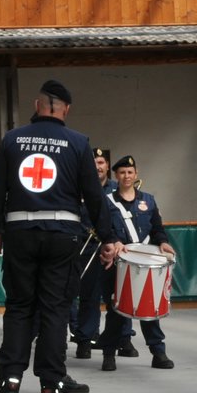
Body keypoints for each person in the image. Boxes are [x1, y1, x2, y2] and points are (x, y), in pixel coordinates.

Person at [0, 80, 120, 393]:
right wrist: (108, 237)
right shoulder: (77, 142)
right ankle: (50, 388)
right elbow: (94, 195)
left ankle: (10, 384)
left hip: (20, 233)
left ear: (38, 104)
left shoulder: (12, 139)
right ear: (66, 109)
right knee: (55, 310)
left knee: (18, 309)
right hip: (63, 234)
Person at [97, 155, 175, 371]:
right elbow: (102, 227)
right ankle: (109, 354)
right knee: (116, 310)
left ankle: (158, 353)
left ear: (136, 174)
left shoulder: (148, 200)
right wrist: (113, 241)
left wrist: (164, 242)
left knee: (149, 307)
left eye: (130, 172)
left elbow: (157, 228)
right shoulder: (107, 201)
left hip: (145, 261)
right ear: (116, 176)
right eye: (122, 172)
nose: (126, 176)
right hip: (117, 263)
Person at [70, 146, 117, 358]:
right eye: (93, 163)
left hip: (95, 249)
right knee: (65, 295)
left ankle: (85, 340)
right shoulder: (73, 185)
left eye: (101, 162)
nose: (97, 167)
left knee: (91, 297)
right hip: (71, 246)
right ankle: (59, 339)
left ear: (107, 165)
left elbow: (114, 217)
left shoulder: (109, 192)